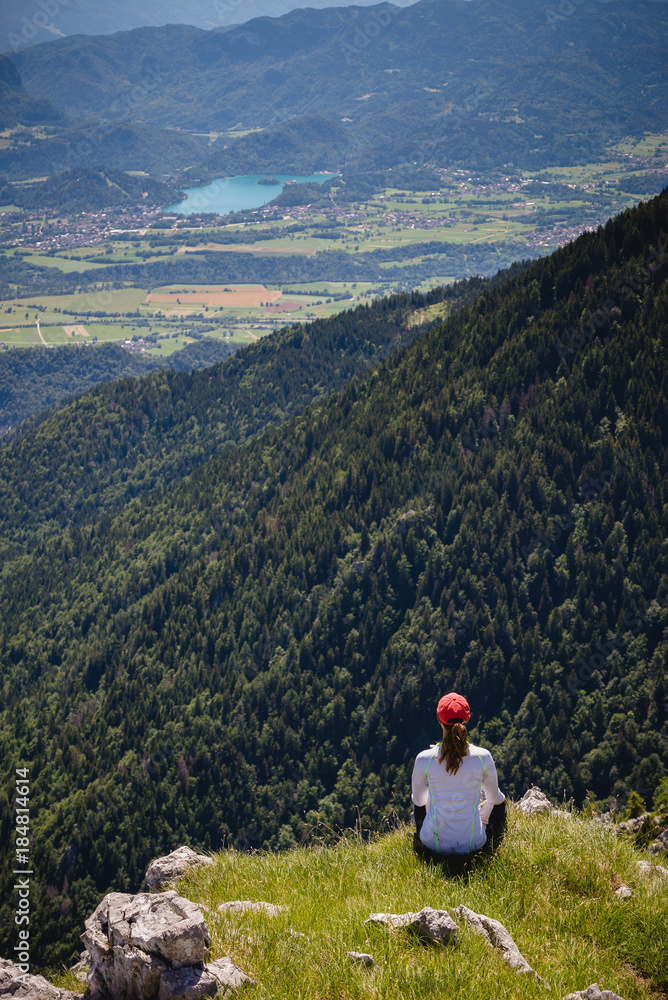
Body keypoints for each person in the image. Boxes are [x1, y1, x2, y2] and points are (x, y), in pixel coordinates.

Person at [411, 691, 507, 869]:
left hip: (433, 844)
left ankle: (424, 841)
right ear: (467, 719)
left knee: (424, 800)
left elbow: (419, 801)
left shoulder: (424, 759)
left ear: (439, 720)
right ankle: (491, 842)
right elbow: (494, 799)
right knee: (499, 804)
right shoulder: (483, 757)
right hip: (473, 845)